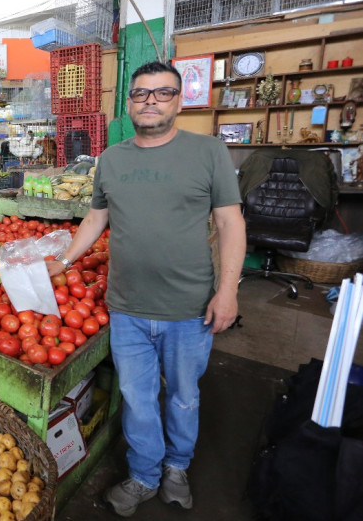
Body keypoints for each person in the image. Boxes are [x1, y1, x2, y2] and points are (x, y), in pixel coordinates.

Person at [45, 61, 246, 517]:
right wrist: (61, 261)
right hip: (128, 307)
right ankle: (143, 474)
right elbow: (96, 218)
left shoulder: (208, 152)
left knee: (182, 395)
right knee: (137, 399)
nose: (151, 100)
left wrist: (228, 291)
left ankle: (177, 466)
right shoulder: (112, 159)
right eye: (141, 93)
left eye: (162, 92)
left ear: (179, 99)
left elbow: (230, 222)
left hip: (188, 306)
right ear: (129, 102)